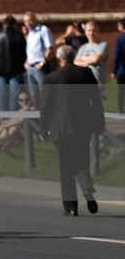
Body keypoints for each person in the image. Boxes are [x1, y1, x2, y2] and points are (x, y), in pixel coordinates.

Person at [40, 44, 105, 216]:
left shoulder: (52, 78)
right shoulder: (86, 73)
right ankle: (87, 188)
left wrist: (43, 128)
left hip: (61, 128)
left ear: (60, 59)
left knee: (66, 167)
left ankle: (71, 206)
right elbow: (96, 101)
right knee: (82, 160)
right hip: (83, 126)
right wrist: (99, 123)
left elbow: (45, 108)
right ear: (74, 56)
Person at [0, 15, 27, 111]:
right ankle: (13, 121)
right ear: (14, 24)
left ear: (3, 24)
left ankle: (4, 121)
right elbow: (24, 53)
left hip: (0, 71)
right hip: (16, 71)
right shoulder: (19, 36)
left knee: (2, 96)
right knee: (14, 97)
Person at [24, 12, 52, 105]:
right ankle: (37, 118)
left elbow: (50, 48)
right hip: (30, 68)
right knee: (34, 96)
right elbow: (31, 49)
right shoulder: (30, 32)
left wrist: (42, 63)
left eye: (30, 20)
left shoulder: (43, 30)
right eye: (26, 21)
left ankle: (48, 117)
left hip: (40, 67)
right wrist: (27, 61)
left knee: (45, 94)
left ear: (35, 19)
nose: (28, 23)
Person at [76, 21, 109, 91]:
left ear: (98, 32)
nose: (91, 33)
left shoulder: (103, 45)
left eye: (94, 31)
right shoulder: (83, 47)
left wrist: (82, 58)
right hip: (84, 84)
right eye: (89, 31)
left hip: (98, 84)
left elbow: (96, 59)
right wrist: (87, 63)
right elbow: (75, 62)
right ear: (85, 32)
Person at [113, 18, 125, 115]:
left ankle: (120, 110)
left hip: (122, 70)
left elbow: (117, 56)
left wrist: (114, 71)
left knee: (121, 92)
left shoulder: (120, 39)